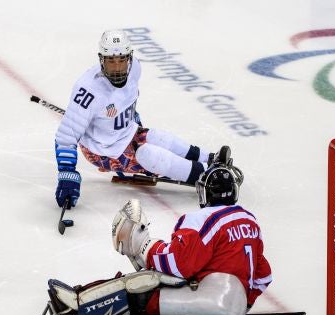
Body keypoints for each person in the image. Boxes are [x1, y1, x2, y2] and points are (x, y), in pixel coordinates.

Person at [47, 163, 272, 315]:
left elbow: (178, 265)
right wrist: (244, 304)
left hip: (207, 304)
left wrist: (147, 247)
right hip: (234, 309)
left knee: (141, 285)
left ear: (206, 193)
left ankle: (76, 310)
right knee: (153, 282)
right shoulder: (250, 222)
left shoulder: (203, 220)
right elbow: (263, 275)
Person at [53, 29, 239, 209]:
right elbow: (66, 137)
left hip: (127, 132)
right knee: (148, 154)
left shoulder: (135, 69)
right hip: (103, 150)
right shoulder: (88, 91)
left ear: (130, 57)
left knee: (159, 137)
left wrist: (133, 120)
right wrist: (67, 174)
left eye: (122, 60)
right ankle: (206, 174)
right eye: (111, 61)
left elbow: (126, 100)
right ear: (101, 60)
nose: (117, 68)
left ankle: (210, 159)